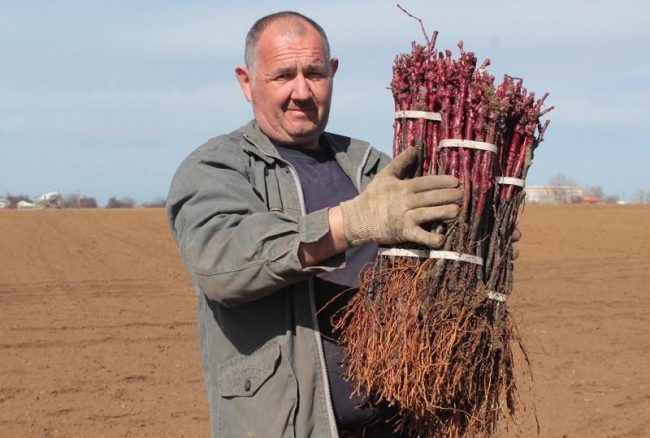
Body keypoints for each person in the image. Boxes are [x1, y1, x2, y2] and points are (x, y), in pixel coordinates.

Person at [166, 11, 463, 438]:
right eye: (283, 75)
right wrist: (353, 223)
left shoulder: (372, 166)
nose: (302, 91)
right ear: (246, 81)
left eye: (316, 73)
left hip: (399, 425)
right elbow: (223, 263)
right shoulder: (216, 168)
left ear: (333, 73)